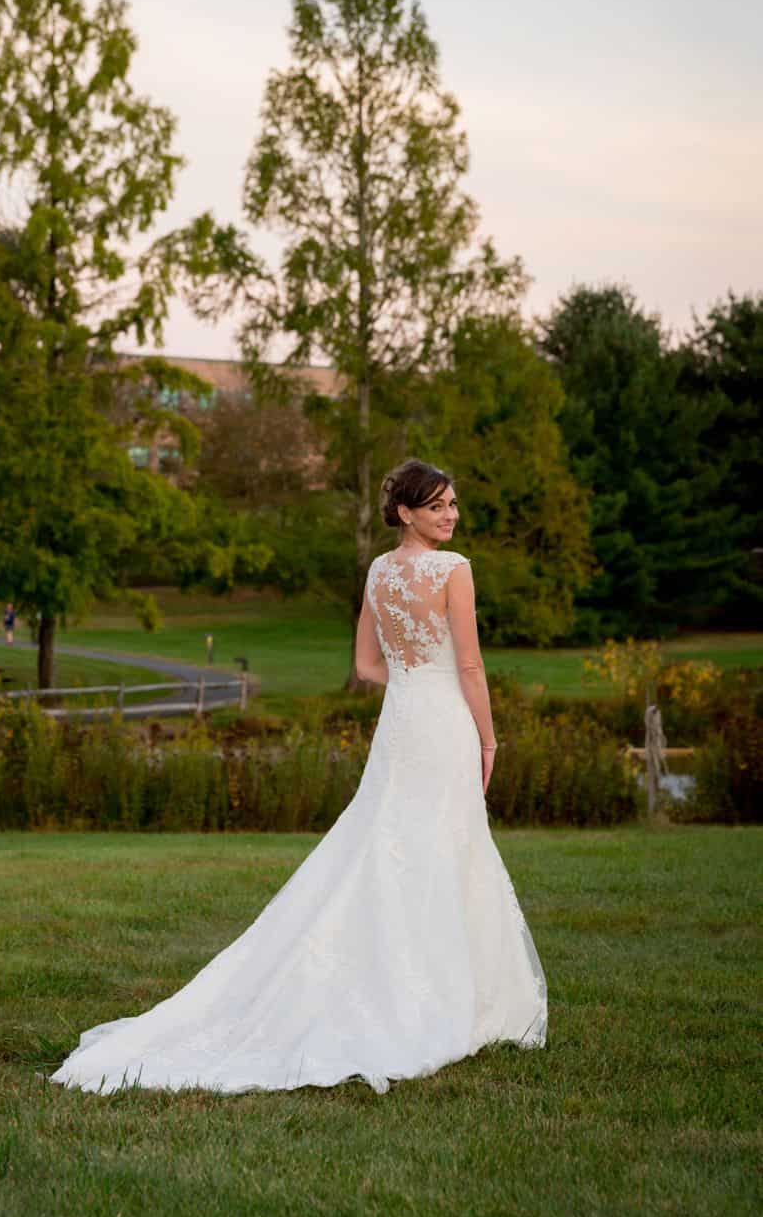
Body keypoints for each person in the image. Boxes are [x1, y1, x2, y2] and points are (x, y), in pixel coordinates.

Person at [49, 458, 547, 1095]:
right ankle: (446, 999)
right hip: (444, 721)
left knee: (387, 844)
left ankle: (402, 980)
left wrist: (416, 683)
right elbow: (472, 667)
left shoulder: (377, 571)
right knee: (439, 847)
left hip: (403, 722)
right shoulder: (454, 571)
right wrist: (489, 735)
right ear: (406, 514)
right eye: (438, 506)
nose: (451, 516)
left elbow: (367, 666)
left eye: (453, 504)